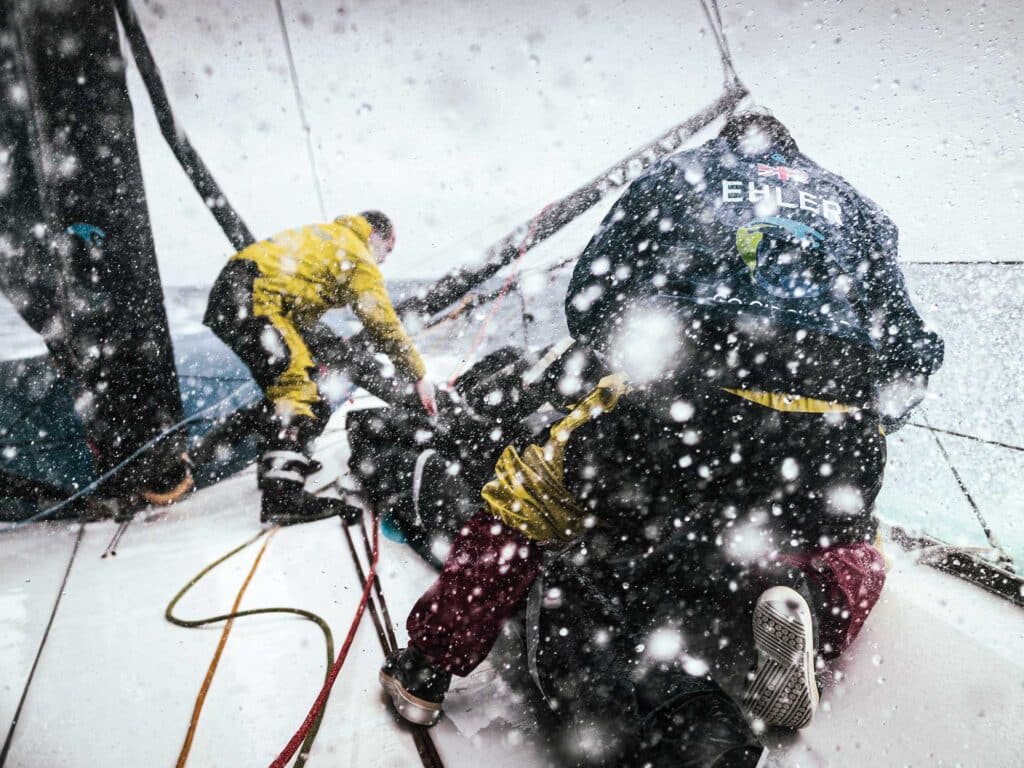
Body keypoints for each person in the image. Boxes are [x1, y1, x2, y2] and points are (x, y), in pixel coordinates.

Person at [379, 112, 943, 764]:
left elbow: (592, 300)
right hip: (833, 445)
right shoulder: (861, 210)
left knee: (538, 508)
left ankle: (433, 669)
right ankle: (812, 600)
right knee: (855, 543)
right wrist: (838, 416)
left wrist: (654, 374)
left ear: (730, 144)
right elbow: (910, 358)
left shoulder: (680, 176)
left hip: (687, 422)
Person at [204, 211, 436, 525]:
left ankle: (278, 462)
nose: (384, 260)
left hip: (235, 291)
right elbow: (383, 323)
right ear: (375, 236)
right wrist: (418, 375)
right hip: (254, 296)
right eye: (387, 250)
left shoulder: (328, 236)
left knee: (289, 381)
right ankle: (283, 494)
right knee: (300, 389)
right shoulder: (357, 255)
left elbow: (294, 290)